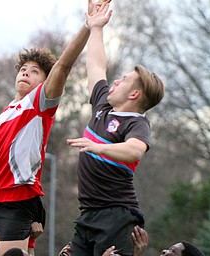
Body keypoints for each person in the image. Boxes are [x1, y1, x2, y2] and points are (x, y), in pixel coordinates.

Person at [0, 0, 108, 255]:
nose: (26, 73)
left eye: (35, 71)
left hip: (20, 203)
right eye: (23, 69)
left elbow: (63, 65)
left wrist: (88, 26)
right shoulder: (5, 112)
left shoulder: (39, 104)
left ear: (46, 81)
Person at [66, 1, 165, 255]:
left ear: (133, 93)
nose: (116, 80)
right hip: (87, 215)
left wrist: (97, 147)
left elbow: (135, 151)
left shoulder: (136, 123)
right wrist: (96, 27)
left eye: (123, 80)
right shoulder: (102, 104)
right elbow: (97, 66)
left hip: (117, 216)